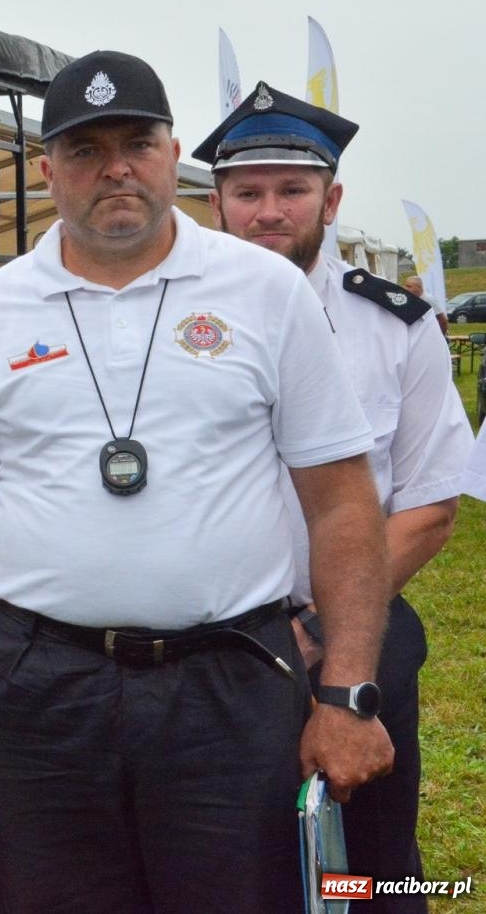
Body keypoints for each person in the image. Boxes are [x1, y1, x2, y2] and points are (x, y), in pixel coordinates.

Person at [0, 51, 395, 914]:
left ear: (175, 157)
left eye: (137, 142)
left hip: (229, 683)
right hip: (38, 688)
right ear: (49, 168)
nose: (116, 169)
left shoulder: (266, 291)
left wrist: (349, 693)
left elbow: (342, 500)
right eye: (87, 150)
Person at [200, 84, 472, 911]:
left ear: (333, 198)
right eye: (248, 193)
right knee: (223, 851)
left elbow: (429, 505)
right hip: (210, 642)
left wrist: (322, 625)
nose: (269, 211)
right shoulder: (173, 319)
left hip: (353, 630)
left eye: (293, 191)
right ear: (216, 203)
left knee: (373, 858)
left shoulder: (395, 326)